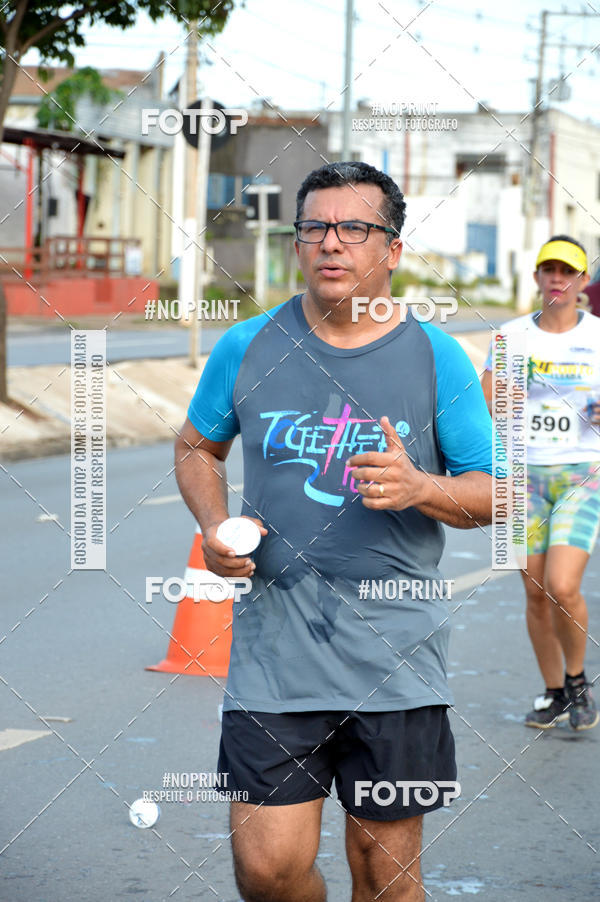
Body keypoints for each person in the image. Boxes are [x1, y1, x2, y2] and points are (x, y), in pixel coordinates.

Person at [175, 161, 493, 902]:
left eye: (355, 228)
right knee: (267, 872)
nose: (331, 243)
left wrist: (421, 487)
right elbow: (196, 446)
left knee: (383, 871)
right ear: (297, 243)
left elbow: (495, 494)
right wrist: (216, 524)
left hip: (396, 659)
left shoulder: (436, 356)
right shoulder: (248, 346)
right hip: (273, 658)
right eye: (315, 227)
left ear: (392, 250)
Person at [481, 235, 600, 732]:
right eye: (548, 270)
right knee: (533, 591)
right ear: (536, 278)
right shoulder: (512, 336)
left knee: (562, 585)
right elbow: (486, 402)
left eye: (567, 272)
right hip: (520, 476)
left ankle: (577, 680)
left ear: (583, 284)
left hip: (581, 472)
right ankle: (555, 694)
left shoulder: (597, 337)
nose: (557, 279)